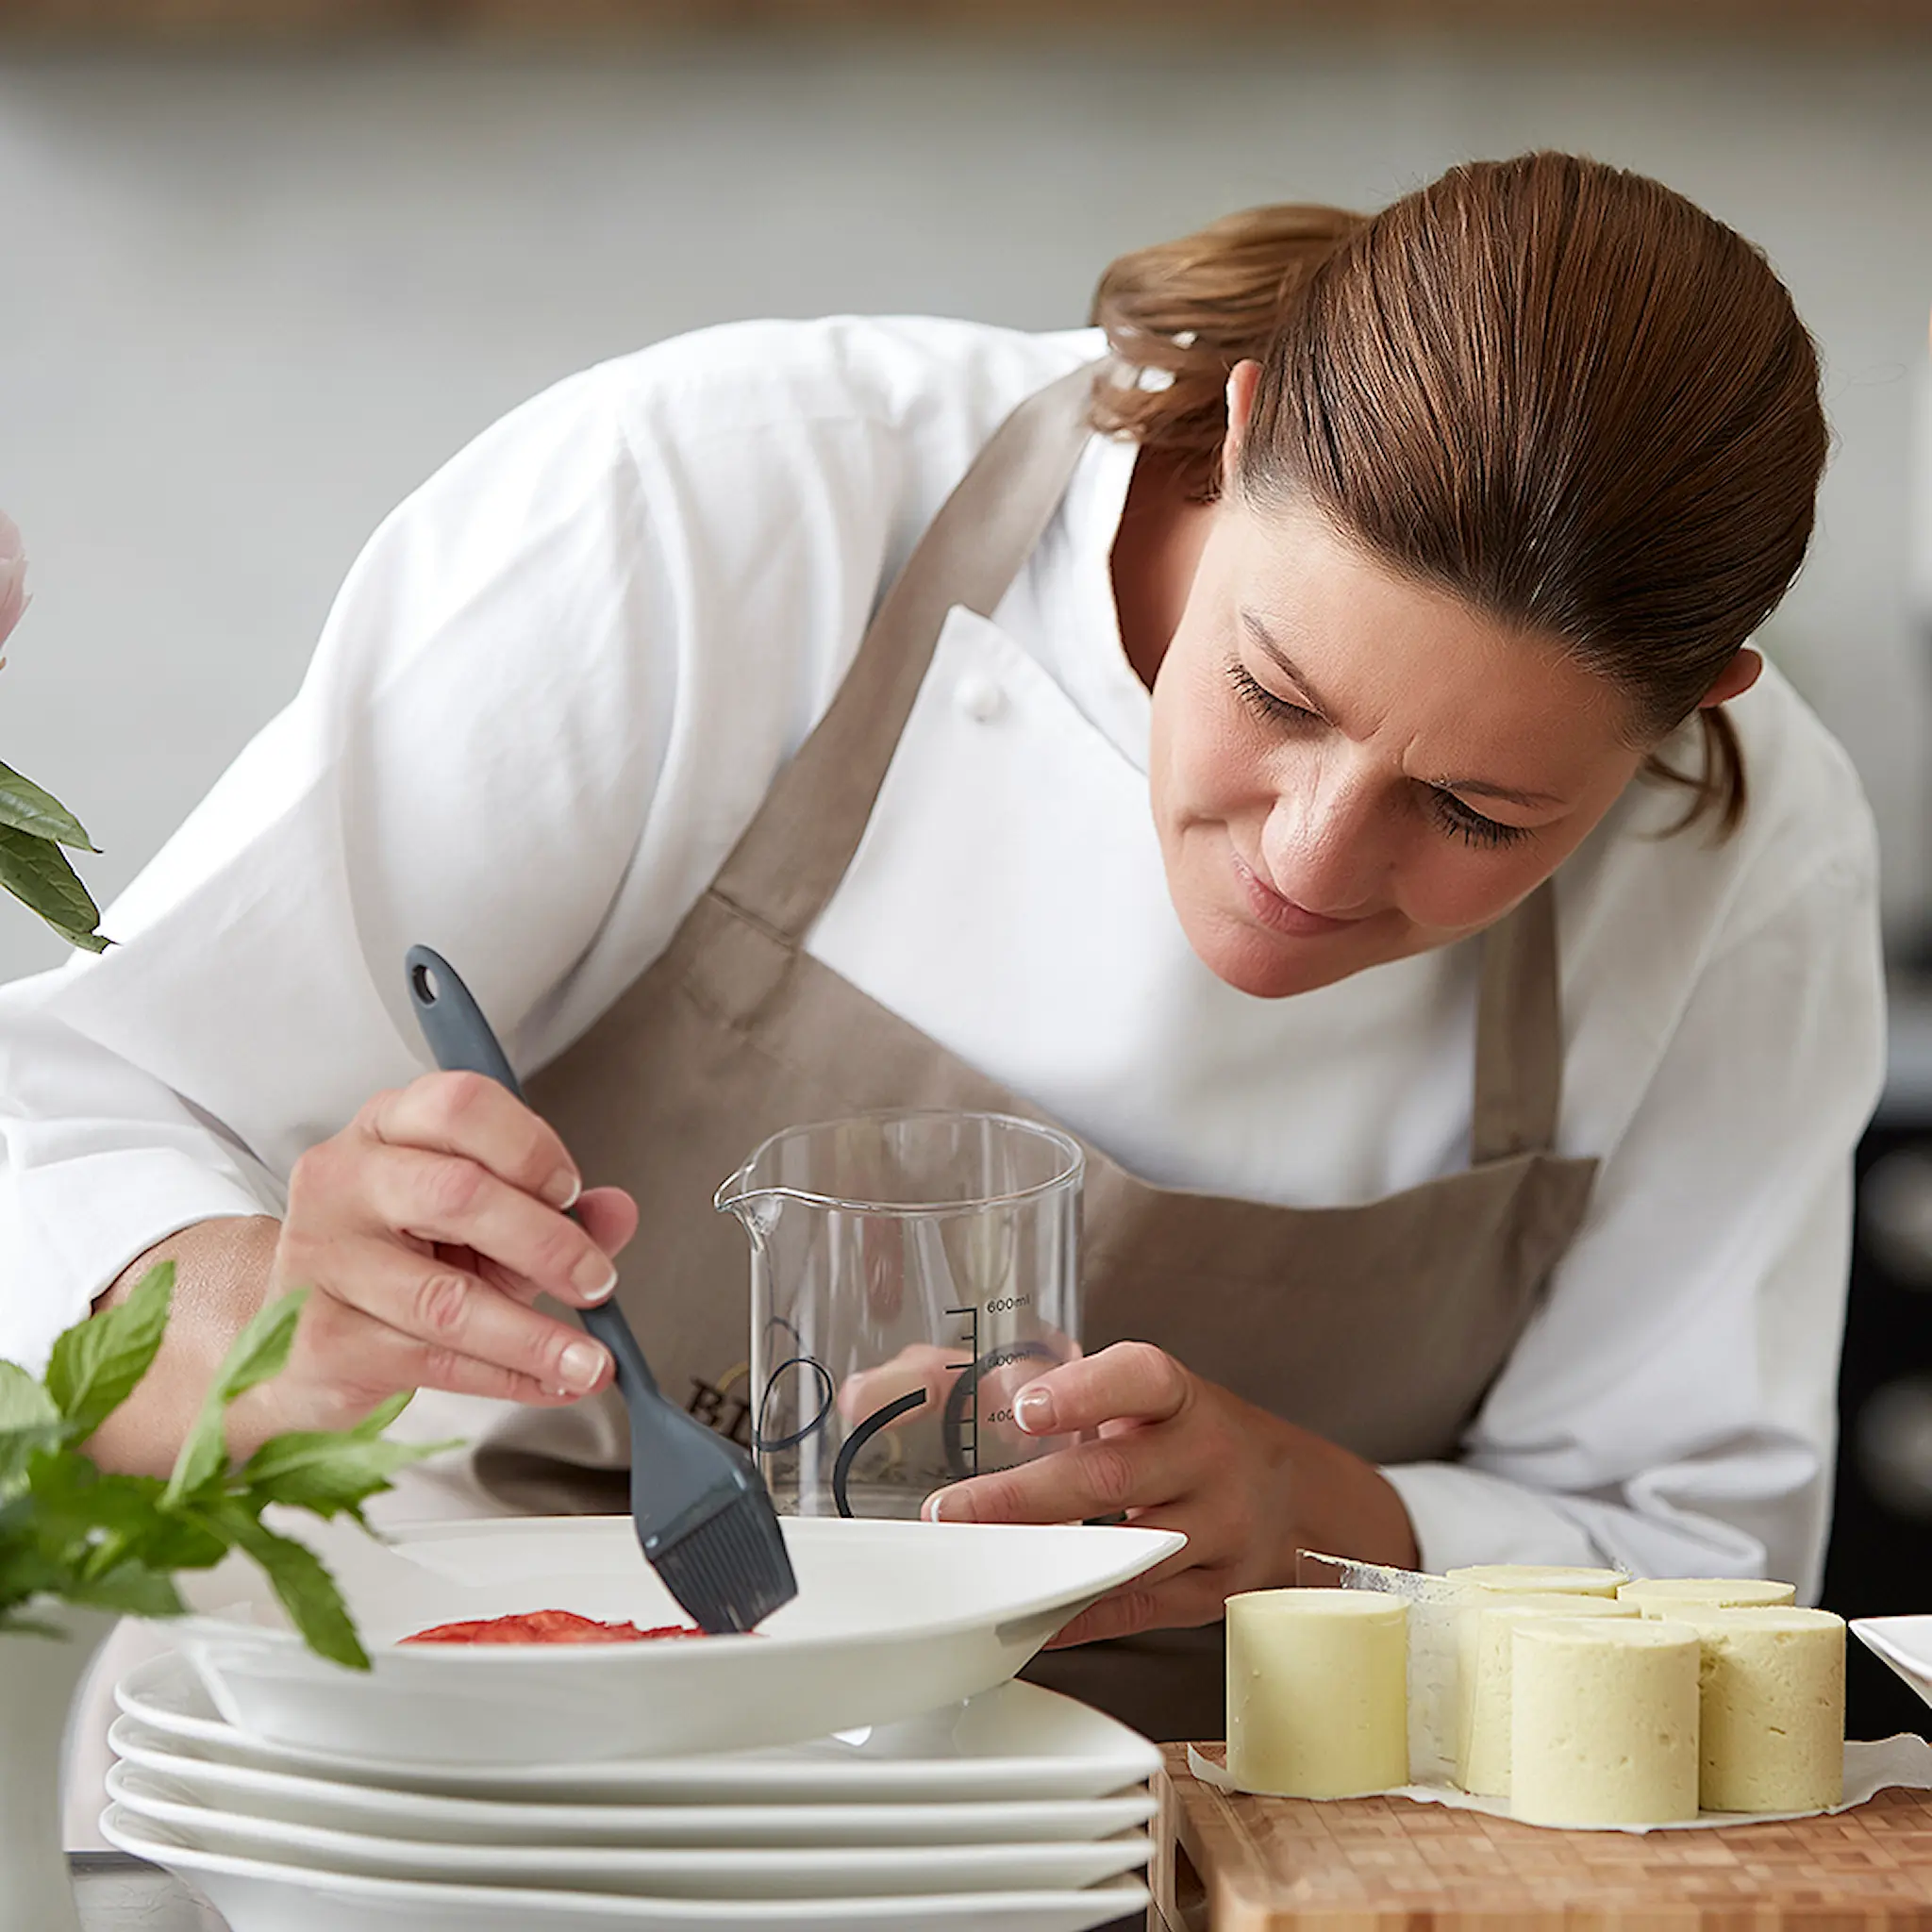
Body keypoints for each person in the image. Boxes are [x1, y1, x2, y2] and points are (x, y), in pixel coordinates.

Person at [0, 151, 1884, 1741]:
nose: (1307, 860)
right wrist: (264, 1295)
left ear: (1689, 710)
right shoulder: (725, 507)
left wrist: (1317, 1515)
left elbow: (1702, 1578)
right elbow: (74, 1104)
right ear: (1235, 431)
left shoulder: (1747, 855)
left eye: (1475, 814)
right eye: (1271, 691)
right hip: (453, 1759)